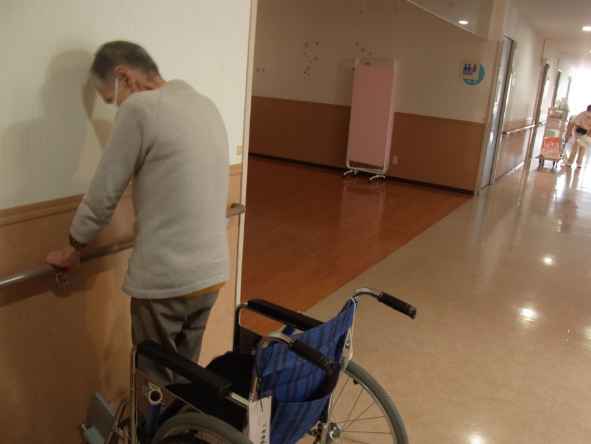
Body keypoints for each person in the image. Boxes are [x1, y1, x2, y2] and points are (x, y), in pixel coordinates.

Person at [46, 41, 229, 384]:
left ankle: (156, 420)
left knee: (152, 385)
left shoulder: (140, 108)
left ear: (124, 77)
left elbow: (104, 193)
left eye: (111, 99)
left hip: (167, 278)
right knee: (186, 379)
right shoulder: (204, 105)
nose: (116, 107)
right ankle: (182, 419)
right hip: (211, 274)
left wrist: (73, 247)